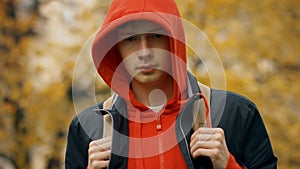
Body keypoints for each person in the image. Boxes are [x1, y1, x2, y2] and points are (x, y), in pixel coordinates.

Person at [65, 0, 278, 168]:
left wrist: (227, 164)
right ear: (115, 48)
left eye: (156, 36)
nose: (144, 52)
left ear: (173, 40)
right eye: (131, 39)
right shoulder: (88, 128)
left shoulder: (236, 113)